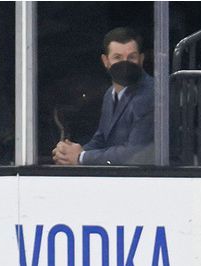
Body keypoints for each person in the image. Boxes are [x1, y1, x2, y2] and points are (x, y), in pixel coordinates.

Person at [52, 27, 154, 166]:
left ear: (141, 59)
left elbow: (134, 152)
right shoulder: (109, 94)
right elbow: (100, 139)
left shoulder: (151, 94)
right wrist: (68, 154)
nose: (125, 63)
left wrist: (82, 157)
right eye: (117, 57)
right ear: (105, 61)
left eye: (131, 57)